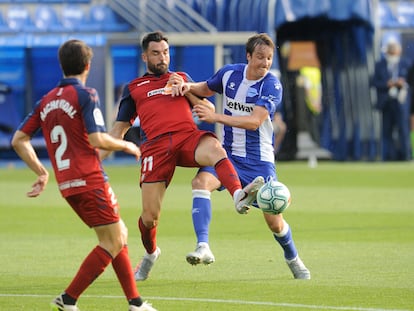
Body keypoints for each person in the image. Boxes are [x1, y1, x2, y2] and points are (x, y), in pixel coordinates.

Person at [102, 31, 264, 282]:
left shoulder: (182, 78)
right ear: (145, 56)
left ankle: (238, 195)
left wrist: (184, 88)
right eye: (156, 53)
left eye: (165, 52)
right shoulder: (134, 88)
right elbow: (118, 131)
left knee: (216, 149)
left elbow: (209, 109)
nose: (162, 57)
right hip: (155, 148)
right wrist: (94, 158)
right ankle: (150, 253)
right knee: (149, 217)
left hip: (186, 137)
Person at [11, 39, 156, 311]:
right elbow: (97, 138)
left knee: (116, 235)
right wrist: (126, 144)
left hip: (67, 184)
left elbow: (19, 139)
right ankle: (69, 298)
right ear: (88, 65)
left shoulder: (46, 100)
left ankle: (135, 303)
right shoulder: (86, 95)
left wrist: (42, 171)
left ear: (62, 65)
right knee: (114, 239)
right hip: (90, 178)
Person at [170, 33, 311, 279]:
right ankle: (203, 246)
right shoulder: (229, 74)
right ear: (248, 56)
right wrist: (186, 86)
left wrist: (216, 117)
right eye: (259, 57)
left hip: (260, 163)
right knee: (200, 183)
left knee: (274, 222)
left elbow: (255, 122)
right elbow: (205, 88)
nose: (264, 63)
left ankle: (293, 257)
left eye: (268, 58)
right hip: (227, 156)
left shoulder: (271, 85)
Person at [373, 39, 411, 161]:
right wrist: (386, 84)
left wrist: (402, 83)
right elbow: (373, 82)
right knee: (386, 132)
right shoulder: (380, 65)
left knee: (403, 130)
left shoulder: (406, 64)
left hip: (401, 102)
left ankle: (406, 156)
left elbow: (411, 81)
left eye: (394, 52)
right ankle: (386, 157)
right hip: (386, 102)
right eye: (390, 52)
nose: (392, 55)